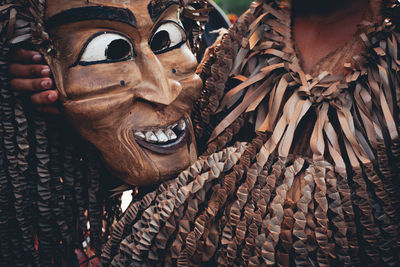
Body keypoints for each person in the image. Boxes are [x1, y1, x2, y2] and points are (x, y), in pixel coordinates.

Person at [4, 0, 400, 266]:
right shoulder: (240, 43)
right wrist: (62, 105)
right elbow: (152, 161)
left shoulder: (390, 60)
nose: (162, 88)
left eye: (165, 40)